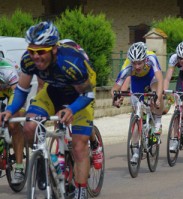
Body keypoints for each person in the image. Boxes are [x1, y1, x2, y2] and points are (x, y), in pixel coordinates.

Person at [0, 21, 100, 199]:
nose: (35, 57)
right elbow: (22, 91)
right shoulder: (28, 60)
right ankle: (44, 161)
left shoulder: (72, 62)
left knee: (78, 146)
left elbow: (87, 94)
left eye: (41, 52)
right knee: (30, 126)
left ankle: (81, 190)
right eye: (32, 51)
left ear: (54, 49)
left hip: (79, 96)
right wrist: (10, 110)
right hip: (53, 92)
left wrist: (71, 109)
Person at [111, 42, 164, 164]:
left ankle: (157, 121)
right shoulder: (127, 66)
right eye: (134, 63)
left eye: (140, 62)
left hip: (151, 78)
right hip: (137, 83)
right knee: (137, 114)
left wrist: (158, 98)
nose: (137, 66)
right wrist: (116, 98)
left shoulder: (151, 58)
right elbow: (115, 88)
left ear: (145, 59)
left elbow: (160, 80)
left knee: (156, 94)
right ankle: (135, 150)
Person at [0, 57, 26, 184]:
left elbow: (18, 95)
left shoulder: (7, 70)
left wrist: (9, 112)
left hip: (14, 91)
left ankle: (19, 169)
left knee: (12, 123)